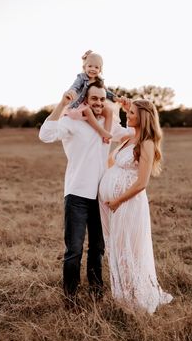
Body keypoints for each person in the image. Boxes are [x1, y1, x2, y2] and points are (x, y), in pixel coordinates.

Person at [38, 80, 133, 303]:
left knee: (98, 248)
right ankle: (70, 296)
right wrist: (62, 104)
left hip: (101, 195)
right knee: (74, 249)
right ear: (86, 99)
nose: (99, 102)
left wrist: (128, 109)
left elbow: (131, 132)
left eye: (102, 98)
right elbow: (45, 134)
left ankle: (96, 292)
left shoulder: (108, 125)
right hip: (77, 194)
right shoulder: (72, 121)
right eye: (94, 98)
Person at [99, 99, 173, 314]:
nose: (127, 115)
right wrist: (125, 107)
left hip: (128, 205)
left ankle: (135, 300)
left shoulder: (147, 143)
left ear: (142, 117)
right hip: (113, 205)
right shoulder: (129, 137)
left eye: (131, 113)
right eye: (128, 112)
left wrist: (118, 201)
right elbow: (111, 129)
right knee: (117, 247)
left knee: (128, 249)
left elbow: (142, 183)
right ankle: (123, 294)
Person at [66, 50, 119, 143]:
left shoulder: (99, 81)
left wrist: (115, 97)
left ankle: (106, 134)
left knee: (109, 111)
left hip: (93, 103)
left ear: (100, 70)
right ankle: (101, 131)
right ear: (84, 67)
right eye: (90, 66)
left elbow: (106, 92)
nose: (93, 69)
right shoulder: (81, 78)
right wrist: (72, 92)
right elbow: (75, 86)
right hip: (81, 105)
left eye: (96, 67)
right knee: (87, 111)